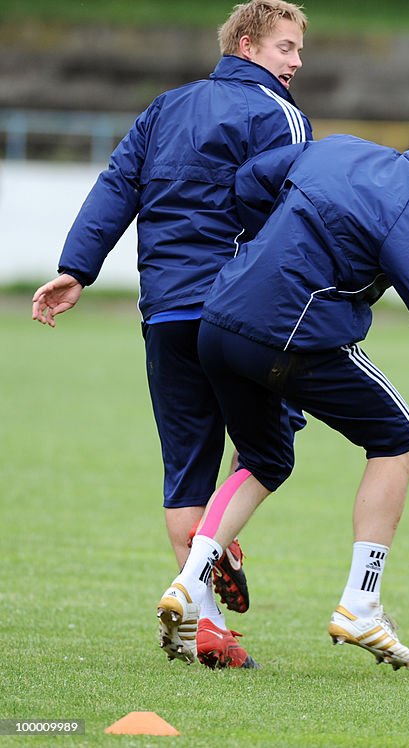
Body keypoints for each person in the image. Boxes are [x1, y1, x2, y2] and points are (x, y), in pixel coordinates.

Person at [155, 119, 409, 669]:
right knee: (398, 440)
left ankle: (189, 583)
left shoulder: (339, 149)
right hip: (287, 335)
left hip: (218, 323)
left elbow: (250, 181)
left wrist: (277, 246)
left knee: (265, 460)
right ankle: (361, 603)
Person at [30, 0, 312, 669]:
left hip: (166, 313)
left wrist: (77, 269)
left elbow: (116, 185)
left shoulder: (163, 107)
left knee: (187, 465)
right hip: (242, 311)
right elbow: (297, 212)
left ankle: (206, 624)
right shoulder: (279, 115)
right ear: (247, 45)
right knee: (272, 442)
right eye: (287, 48)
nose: (297, 62)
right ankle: (221, 542)